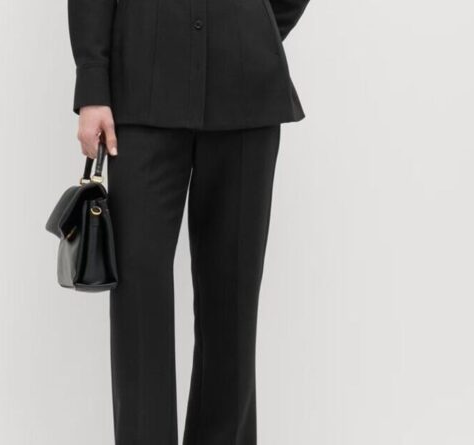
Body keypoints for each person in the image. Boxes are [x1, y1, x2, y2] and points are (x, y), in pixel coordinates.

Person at [68, 0, 310, 443]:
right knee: (138, 295)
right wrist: (92, 84)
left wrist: (250, 20)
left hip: (245, 86)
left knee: (232, 301)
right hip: (139, 92)